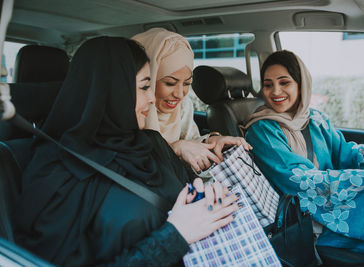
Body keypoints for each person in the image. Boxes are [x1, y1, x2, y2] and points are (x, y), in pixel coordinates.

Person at [14, 37, 240, 266]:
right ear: (109, 90)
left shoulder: (152, 143)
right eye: (144, 87)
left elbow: (187, 195)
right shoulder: (57, 171)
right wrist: (175, 235)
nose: (152, 99)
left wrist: (205, 198)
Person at [242, 50, 364, 254]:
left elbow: (348, 155)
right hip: (310, 223)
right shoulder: (262, 130)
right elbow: (300, 181)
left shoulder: (315, 119)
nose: (275, 92)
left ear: (301, 84)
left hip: (339, 207)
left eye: (284, 82)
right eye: (268, 85)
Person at [132, 28, 252, 173]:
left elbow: (190, 140)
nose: (179, 94)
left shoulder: (182, 106)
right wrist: (174, 149)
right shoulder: (131, 113)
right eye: (170, 83)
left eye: (187, 83)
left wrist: (211, 141)